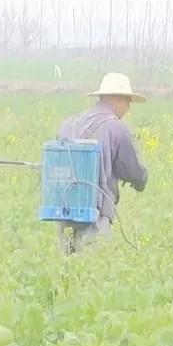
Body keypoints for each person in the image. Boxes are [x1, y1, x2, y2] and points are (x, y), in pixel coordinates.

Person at [55, 72, 149, 253]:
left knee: (68, 266)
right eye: (127, 101)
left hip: (65, 209)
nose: (128, 107)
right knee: (94, 267)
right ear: (117, 99)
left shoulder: (70, 123)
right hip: (95, 212)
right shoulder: (116, 127)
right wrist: (141, 179)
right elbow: (132, 170)